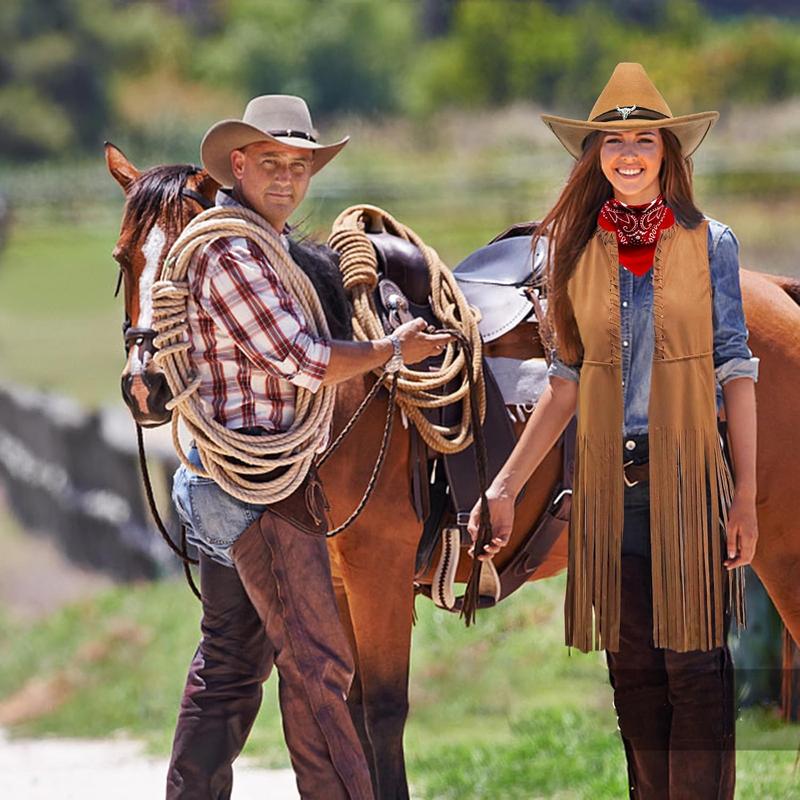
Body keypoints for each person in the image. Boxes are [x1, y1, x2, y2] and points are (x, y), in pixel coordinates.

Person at [468, 63, 759, 799]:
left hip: (689, 476)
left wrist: (747, 493)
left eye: (644, 140)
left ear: (667, 153)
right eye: (613, 142)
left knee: (693, 670)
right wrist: (504, 487)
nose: (628, 154)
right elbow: (565, 382)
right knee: (632, 675)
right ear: (595, 155)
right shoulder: (577, 253)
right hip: (605, 484)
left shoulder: (710, 243)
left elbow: (735, 369)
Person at [167, 94, 450, 800]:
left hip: (228, 481)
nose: (288, 179)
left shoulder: (260, 246)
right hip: (262, 487)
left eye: (300, 166)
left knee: (230, 667)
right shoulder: (232, 251)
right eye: (272, 163)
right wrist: (391, 350)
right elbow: (302, 359)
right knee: (320, 666)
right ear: (237, 164)